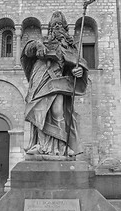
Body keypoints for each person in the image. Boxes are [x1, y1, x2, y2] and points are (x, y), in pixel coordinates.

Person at [21, 11, 88, 156]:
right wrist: (38, 46)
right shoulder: (44, 42)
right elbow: (27, 51)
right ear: (50, 28)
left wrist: (78, 72)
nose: (57, 28)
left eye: (60, 25)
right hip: (39, 80)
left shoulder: (70, 48)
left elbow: (76, 66)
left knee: (58, 111)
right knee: (39, 111)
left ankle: (61, 145)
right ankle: (42, 145)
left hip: (57, 82)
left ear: (65, 28)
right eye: (54, 25)